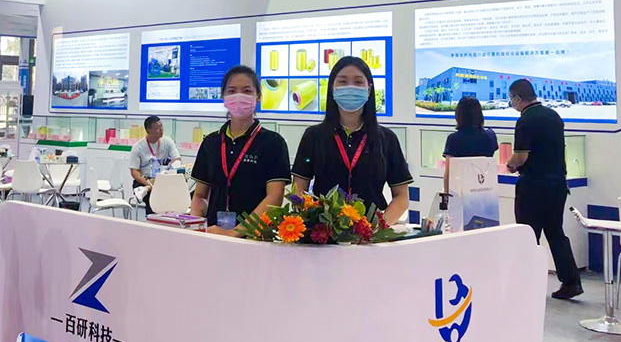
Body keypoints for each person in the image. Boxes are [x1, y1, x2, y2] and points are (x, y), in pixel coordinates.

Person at [293, 57, 413, 223]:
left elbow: (401, 196)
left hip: (371, 233)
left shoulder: (387, 139)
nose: (350, 87)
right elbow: (299, 190)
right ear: (332, 88)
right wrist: (311, 222)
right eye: (342, 82)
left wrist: (377, 227)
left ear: (369, 90)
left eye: (358, 82)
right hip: (323, 232)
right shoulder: (313, 136)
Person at [506, 79, 583, 300]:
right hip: (557, 184)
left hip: (533, 186)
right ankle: (571, 282)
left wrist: (510, 165)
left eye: (511, 99)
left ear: (518, 98)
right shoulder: (553, 116)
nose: (512, 104)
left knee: (528, 236)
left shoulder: (525, 120)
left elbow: (521, 156)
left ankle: (527, 284)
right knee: (556, 233)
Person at [191, 66, 290, 236]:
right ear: (223, 97)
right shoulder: (211, 142)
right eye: (231, 91)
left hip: (254, 238)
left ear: (258, 96)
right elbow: (200, 196)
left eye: (246, 91)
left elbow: (274, 198)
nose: (239, 96)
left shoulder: (273, 142)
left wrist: (236, 232)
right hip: (213, 235)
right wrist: (195, 228)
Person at [443, 96, 498, 194]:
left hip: (462, 192)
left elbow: (449, 174)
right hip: (485, 190)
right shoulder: (490, 135)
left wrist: (447, 195)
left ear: (458, 115)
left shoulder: (454, 139)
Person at [129, 116, 181, 215]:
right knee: (153, 198)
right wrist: (148, 183)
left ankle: (146, 190)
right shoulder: (138, 147)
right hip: (145, 180)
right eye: (157, 128)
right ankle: (152, 219)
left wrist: (172, 168)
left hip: (164, 178)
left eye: (161, 126)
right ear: (148, 130)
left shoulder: (168, 142)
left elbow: (177, 159)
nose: (161, 130)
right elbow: (134, 171)